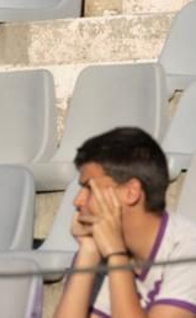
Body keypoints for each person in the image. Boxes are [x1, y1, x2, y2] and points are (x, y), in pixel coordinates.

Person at [57, 127, 196, 317]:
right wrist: (88, 252)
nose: (77, 201)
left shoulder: (189, 249)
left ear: (131, 192)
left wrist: (116, 255)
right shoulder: (100, 251)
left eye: (89, 188)